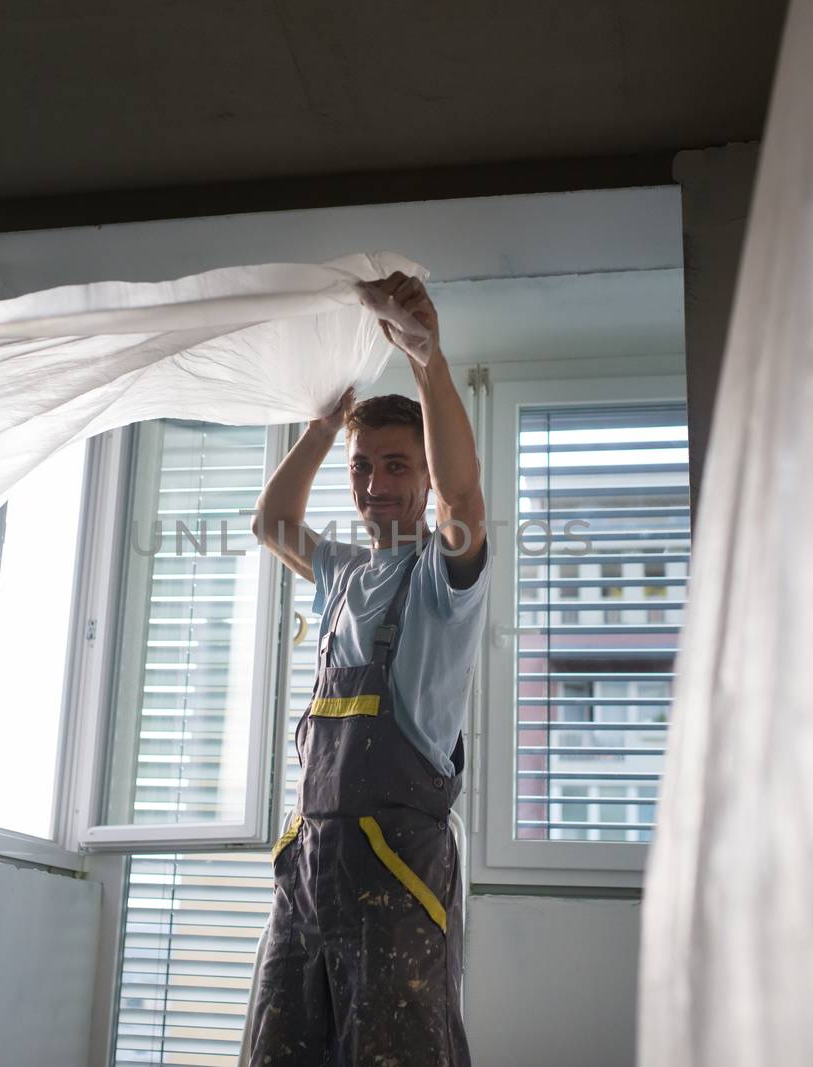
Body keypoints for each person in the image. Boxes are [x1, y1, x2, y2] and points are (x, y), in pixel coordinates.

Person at [246, 272, 488, 1065]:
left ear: (421, 476)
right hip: (311, 869)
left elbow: (464, 499)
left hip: (396, 878)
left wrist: (429, 364)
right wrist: (325, 425)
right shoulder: (344, 571)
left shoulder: (443, 579)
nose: (376, 484)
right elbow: (271, 521)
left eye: (395, 465)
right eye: (363, 468)